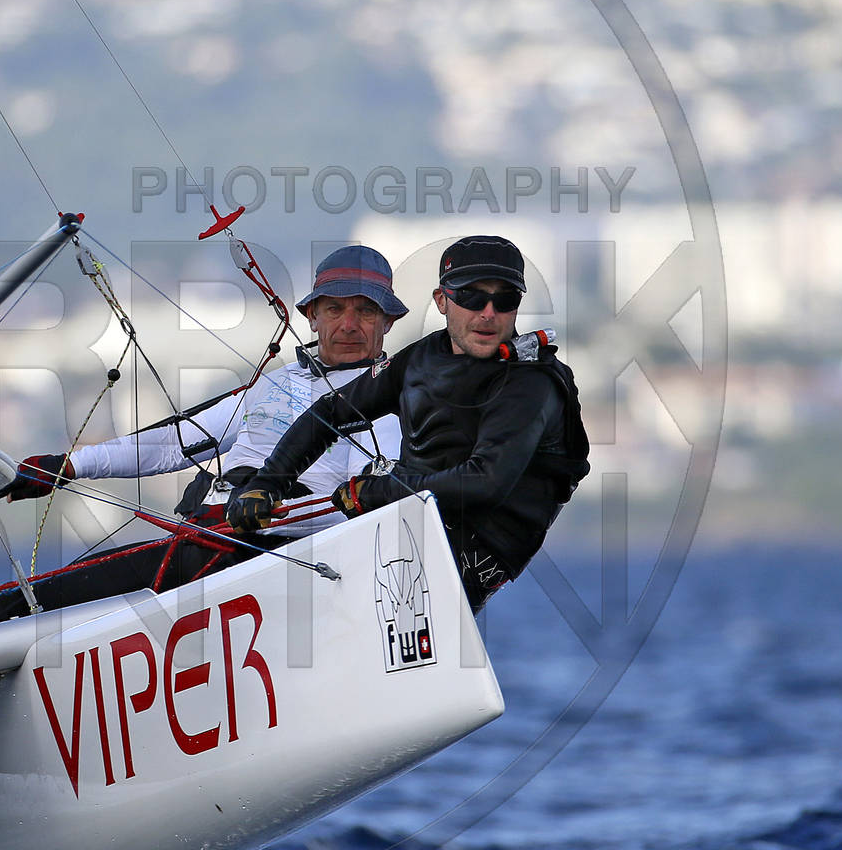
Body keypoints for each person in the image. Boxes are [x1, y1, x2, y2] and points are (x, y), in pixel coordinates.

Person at [0, 246, 407, 624]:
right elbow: (174, 443)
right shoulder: (275, 384)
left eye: (366, 311)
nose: (349, 324)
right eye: (335, 309)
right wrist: (67, 467)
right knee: (10, 608)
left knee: (20, 609)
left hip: (275, 565)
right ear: (312, 317)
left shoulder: (388, 405)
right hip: (205, 545)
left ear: (387, 322)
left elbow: (365, 510)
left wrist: (262, 512)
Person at [227, 234, 589, 610]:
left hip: (470, 557)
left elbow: (485, 482)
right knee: (242, 550)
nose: (487, 313)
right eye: (471, 297)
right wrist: (267, 483)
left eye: (505, 300)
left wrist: (375, 493)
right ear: (442, 300)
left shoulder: (532, 383)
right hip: (404, 532)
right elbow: (329, 412)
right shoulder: (422, 357)